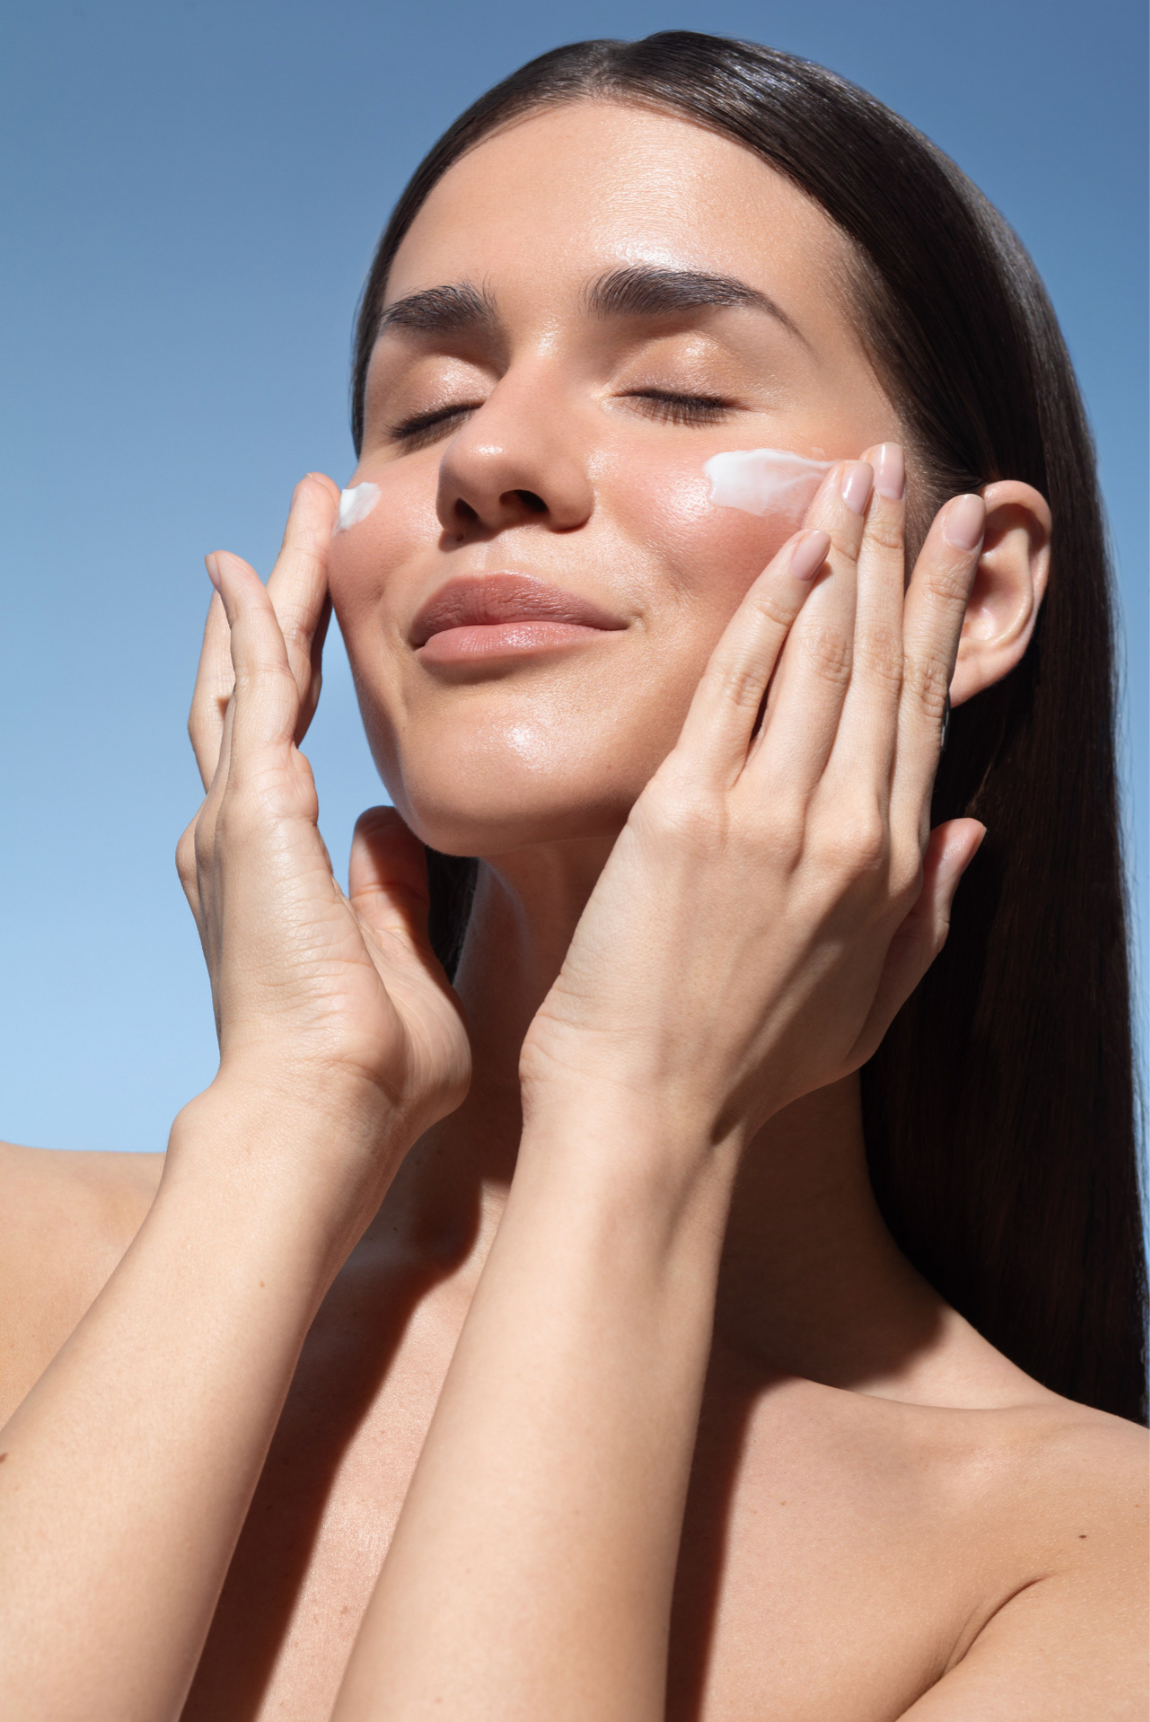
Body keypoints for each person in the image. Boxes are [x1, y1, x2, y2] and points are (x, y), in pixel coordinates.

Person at [0, 31, 1144, 1722]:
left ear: (973, 593)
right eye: (425, 406)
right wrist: (287, 1117)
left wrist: (634, 1123)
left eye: (677, 385)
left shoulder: (1079, 1567)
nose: (485, 460)